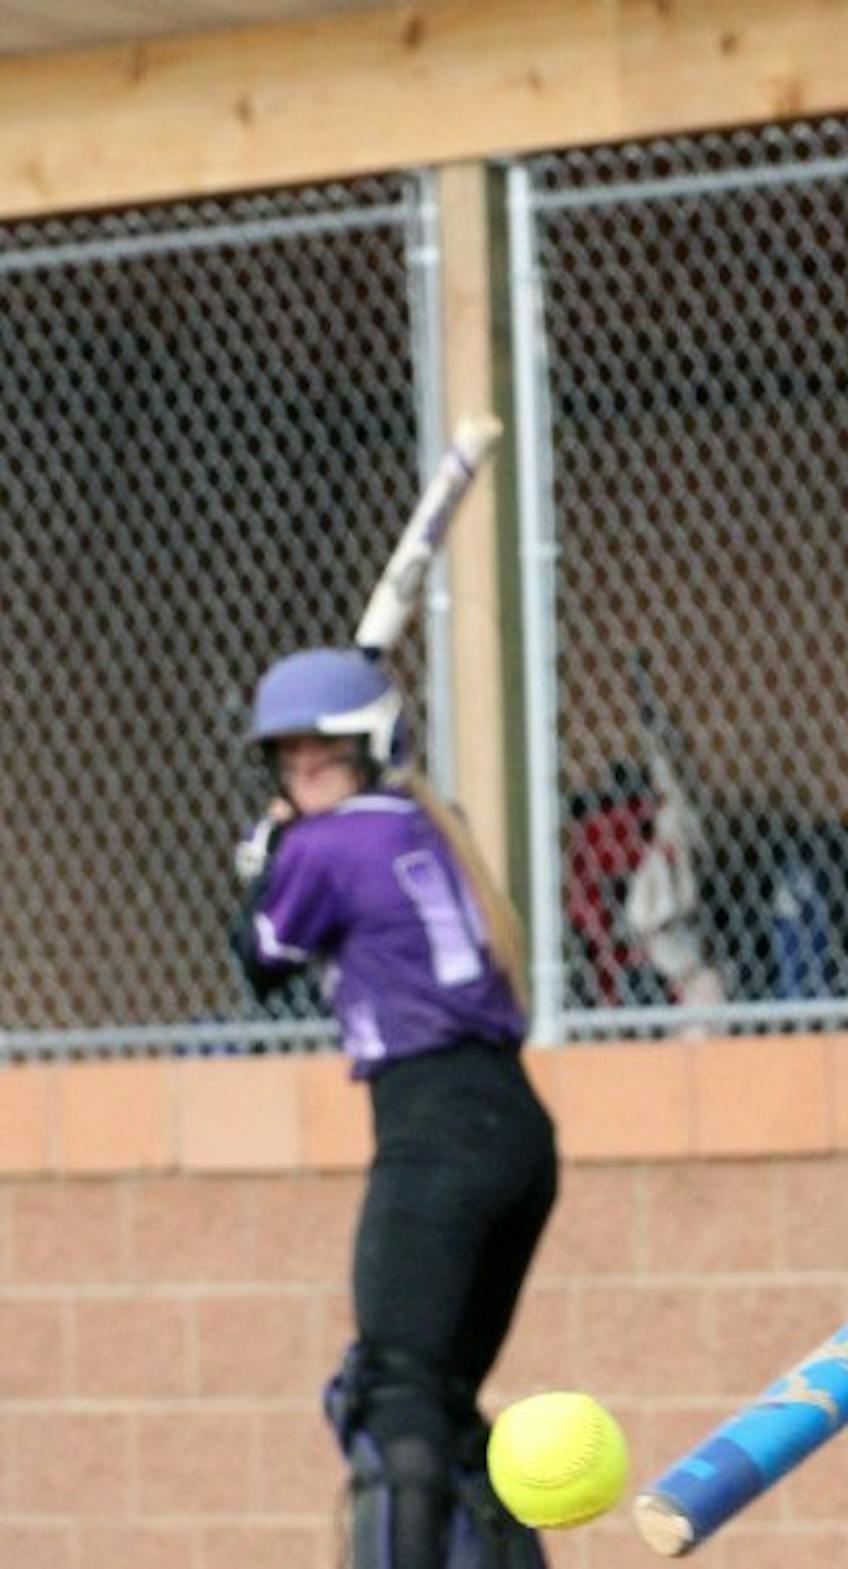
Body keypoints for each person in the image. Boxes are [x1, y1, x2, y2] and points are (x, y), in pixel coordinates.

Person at [232, 648, 556, 1568]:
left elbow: (259, 960)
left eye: (323, 761)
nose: (305, 781)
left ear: (373, 750)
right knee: (443, 1402)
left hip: (435, 1135)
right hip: (515, 1134)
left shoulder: (326, 844)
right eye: (291, 765)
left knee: (392, 1397)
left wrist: (264, 859)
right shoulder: (422, 824)